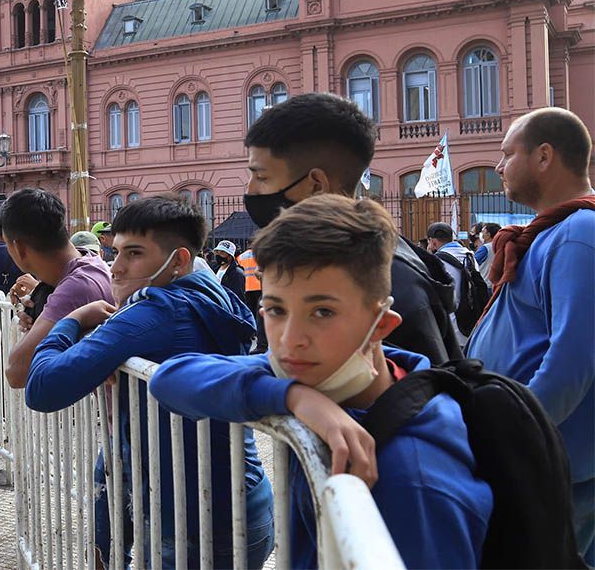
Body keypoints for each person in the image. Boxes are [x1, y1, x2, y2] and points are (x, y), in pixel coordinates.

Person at [151, 195, 493, 568]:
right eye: (276, 310)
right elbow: (169, 378)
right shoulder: (329, 371)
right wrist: (295, 397)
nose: (289, 339)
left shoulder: (412, 479)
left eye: (322, 311)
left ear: (382, 325)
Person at [25, 196, 275, 567]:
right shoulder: (213, 297)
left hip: (189, 525)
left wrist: (72, 321)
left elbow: (41, 386)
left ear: (178, 260)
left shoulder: (156, 311)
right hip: (240, 505)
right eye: (117, 252)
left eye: (134, 254)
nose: (116, 268)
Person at [243, 92, 462, 364]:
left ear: (316, 185)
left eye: (261, 177)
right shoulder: (332, 256)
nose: (250, 190)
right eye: (277, 310)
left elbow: (421, 390)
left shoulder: (383, 274)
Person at [469, 107, 595, 564]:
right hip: (543, 462)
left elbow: (572, 360)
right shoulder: (556, 232)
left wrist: (509, 436)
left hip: (556, 466)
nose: (499, 166)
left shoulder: (580, 232)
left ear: (544, 156)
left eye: (507, 154)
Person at [2, 188, 113, 389]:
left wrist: (34, 331)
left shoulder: (77, 286)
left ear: (19, 248)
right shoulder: (89, 261)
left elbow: (15, 372)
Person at [425, 222, 473, 347]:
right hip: (472, 320)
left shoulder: (437, 261)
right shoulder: (469, 255)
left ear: (433, 242)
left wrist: (428, 256)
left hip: (451, 325)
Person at [238, 244, 265, 350]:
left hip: (247, 286)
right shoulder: (260, 255)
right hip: (259, 286)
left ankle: (253, 332)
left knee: (251, 312)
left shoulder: (241, 256)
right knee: (259, 313)